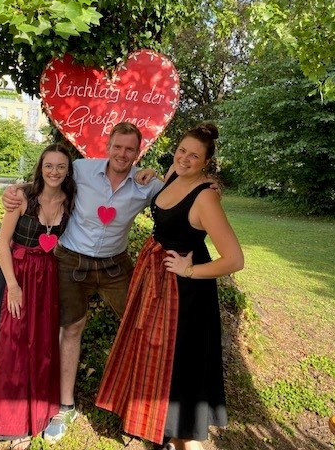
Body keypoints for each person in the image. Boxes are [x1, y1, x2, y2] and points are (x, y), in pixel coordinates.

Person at [1, 122, 165, 444]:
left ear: (138, 152)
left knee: (140, 326)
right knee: (71, 329)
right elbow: (49, 177)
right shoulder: (81, 169)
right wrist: (14, 189)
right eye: (117, 147)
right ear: (108, 146)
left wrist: (207, 185)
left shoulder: (147, 184)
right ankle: (65, 407)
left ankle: (138, 406)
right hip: (71, 262)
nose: (122, 154)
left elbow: (180, 196)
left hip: (115, 266)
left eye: (130, 149)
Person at [95, 123, 244, 450]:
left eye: (194, 156)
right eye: (181, 150)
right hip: (156, 277)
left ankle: (182, 434)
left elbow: (235, 259)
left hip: (184, 292)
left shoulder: (206, 197)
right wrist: (155, 176)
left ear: (206, 163)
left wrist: (189, 270)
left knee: (178, 361)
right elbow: (171, 206)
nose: (185, 159)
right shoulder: (175, 174)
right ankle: (158, 425)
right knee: (152, 350)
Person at [0, 143, 76, 450]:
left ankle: (39, 412)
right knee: (15, 345)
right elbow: (3, 243)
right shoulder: (22, 197)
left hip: (48, 281)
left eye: (60, 166)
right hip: (19, 277)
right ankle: (10, 422)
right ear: (40, 167)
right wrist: (13, 285)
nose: (54, 171)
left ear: (68, 171)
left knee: (43, 346)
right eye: (49, 165)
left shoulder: (70, 201)